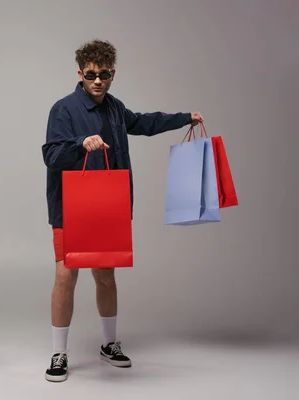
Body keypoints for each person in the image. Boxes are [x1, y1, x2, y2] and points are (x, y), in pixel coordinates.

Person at [41, 39, 203, 382]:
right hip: (70, 208)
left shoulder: (115, 108)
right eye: (91, 74)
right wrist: (79, 144)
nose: (97, 80)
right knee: (65, 276)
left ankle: (109, 343)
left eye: (104, 74)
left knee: (105, 275)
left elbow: (144, 123)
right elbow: (51, 155)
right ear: (80, 73)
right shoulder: (63, 109)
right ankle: (59, 352)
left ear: (112, 74)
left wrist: (184, 118)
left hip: (109, 207)